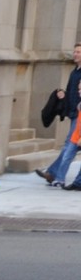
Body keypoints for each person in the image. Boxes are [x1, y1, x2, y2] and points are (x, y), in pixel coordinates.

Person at [35, 42, 81, 188]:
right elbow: (73, 93)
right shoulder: (75, 72)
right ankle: (55, 174)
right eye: (75, 52)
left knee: (70, 146)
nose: (75, 54)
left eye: (78, 52)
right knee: (70, 146)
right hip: (74, 113)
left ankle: (56, 175)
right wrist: (64, 96)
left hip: (79, 114)